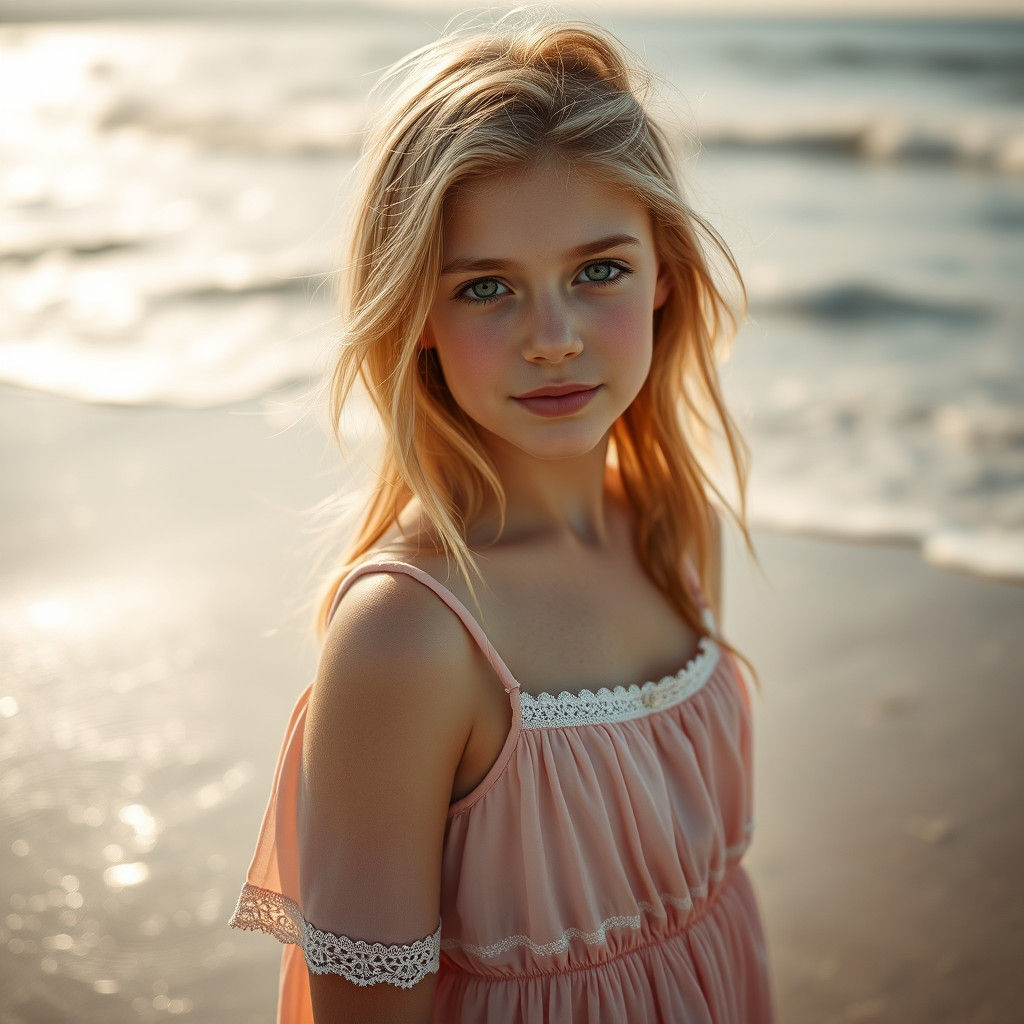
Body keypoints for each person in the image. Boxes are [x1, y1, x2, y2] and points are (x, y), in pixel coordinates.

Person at [228, 12, 776, 1023]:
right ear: (417, 321)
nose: (555, 339)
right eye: (486, 288)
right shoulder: (410, 638)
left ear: (666, 278)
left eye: (598, 270)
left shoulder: (671, 528)